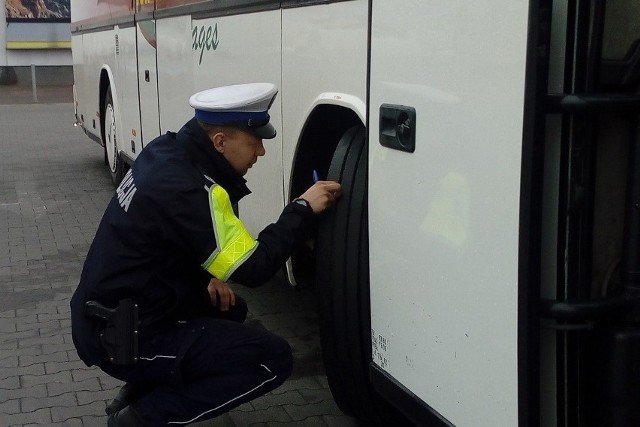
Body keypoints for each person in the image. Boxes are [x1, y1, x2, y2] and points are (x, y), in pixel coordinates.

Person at [70, 82, 341, 426]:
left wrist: (210, 275)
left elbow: (176, 238)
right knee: (271, 359)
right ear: (220, 142)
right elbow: (254, 268)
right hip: (122, 335)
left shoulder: (167, 152)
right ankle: (142, 418)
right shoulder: (192, 189)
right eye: (254, 140)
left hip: (111, 314)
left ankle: (139, 390)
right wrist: (301, 208)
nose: (261, 151)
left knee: (230, 309)